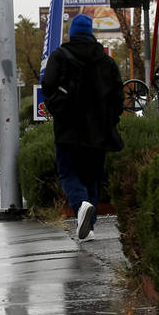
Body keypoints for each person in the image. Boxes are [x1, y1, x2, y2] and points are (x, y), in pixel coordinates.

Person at [42, 14, 124, 241]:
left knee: (68, 171)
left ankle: (81, 206)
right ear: (90, 32)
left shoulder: (60, 56)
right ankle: (90, 226)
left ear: (72, 32)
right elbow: (118, 94)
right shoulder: (105, 60)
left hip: (68, 129)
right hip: (99, 131)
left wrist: (57, 108)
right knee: (94, 178)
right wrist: (112, 119)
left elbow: (47, 86)